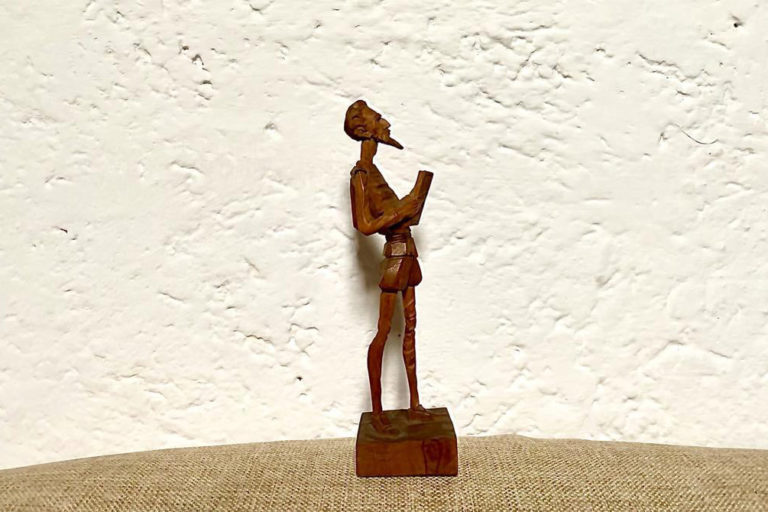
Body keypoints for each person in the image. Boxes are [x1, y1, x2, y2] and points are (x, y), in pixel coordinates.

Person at [345, 99, 432, 435]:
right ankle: (378, 411)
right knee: (384, 332)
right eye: (379, 118)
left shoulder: (375, 172)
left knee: (410, 329)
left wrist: (410, 206)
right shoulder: (361, 174)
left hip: (407, 254)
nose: (386, 123)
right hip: (393, 259)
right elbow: (365, 225)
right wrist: (402, 209)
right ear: (364, 130)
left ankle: (414, 404)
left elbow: (391, 215)